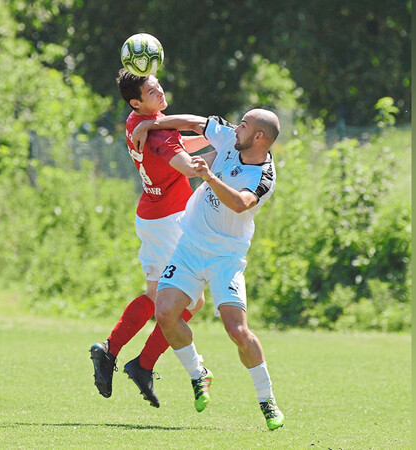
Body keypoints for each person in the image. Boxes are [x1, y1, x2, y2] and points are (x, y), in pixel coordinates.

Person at [131, 109, 285, 430]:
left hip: (225, 256)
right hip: (190, 246)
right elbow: (192, 122)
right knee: (165, 312)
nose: (236, 127)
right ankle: (198, 374)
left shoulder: (264, 176)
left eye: (244, 125)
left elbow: (240, 203)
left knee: (237, 332)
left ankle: (266, 399)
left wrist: (209, 176)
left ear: (258, 137)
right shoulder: (232, 137)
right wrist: (152, 124)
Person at [89, 69, 209, 408]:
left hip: (152, 216)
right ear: (136, 102)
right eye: (151, 91)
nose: (159, 92)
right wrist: (223, 152)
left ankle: (113, 352)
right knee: (191, 302)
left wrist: (213, 141)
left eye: (157, 86)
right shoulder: (159, 132)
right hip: (171, 221)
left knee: (157, 296)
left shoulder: (136, 121)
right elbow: (184, 163)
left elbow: (176, 144)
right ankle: (142, 364)